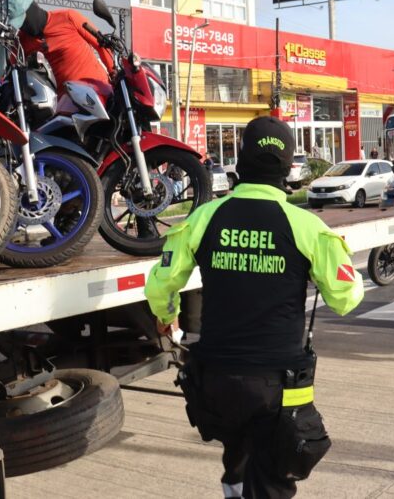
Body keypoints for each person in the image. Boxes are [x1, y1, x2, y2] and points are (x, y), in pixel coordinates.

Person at [145, 116, 365, 498]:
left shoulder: (204, 218)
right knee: (272, 481)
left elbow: (161, 284)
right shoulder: (306, 226)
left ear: (240, 162)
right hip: (278, 388)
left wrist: (168, 318)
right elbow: (345, 299)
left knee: (237, 457)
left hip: (215, 380)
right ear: (288, 167)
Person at [5, 0, 115, 100]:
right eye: (19, 23)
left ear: (32, 8)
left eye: (23, 20)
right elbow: (12, 73)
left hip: (99, 93)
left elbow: (101, 44)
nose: (23, 26)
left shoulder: (68, 17)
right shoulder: (21, 41)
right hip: (66, 106)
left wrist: (113, 72)